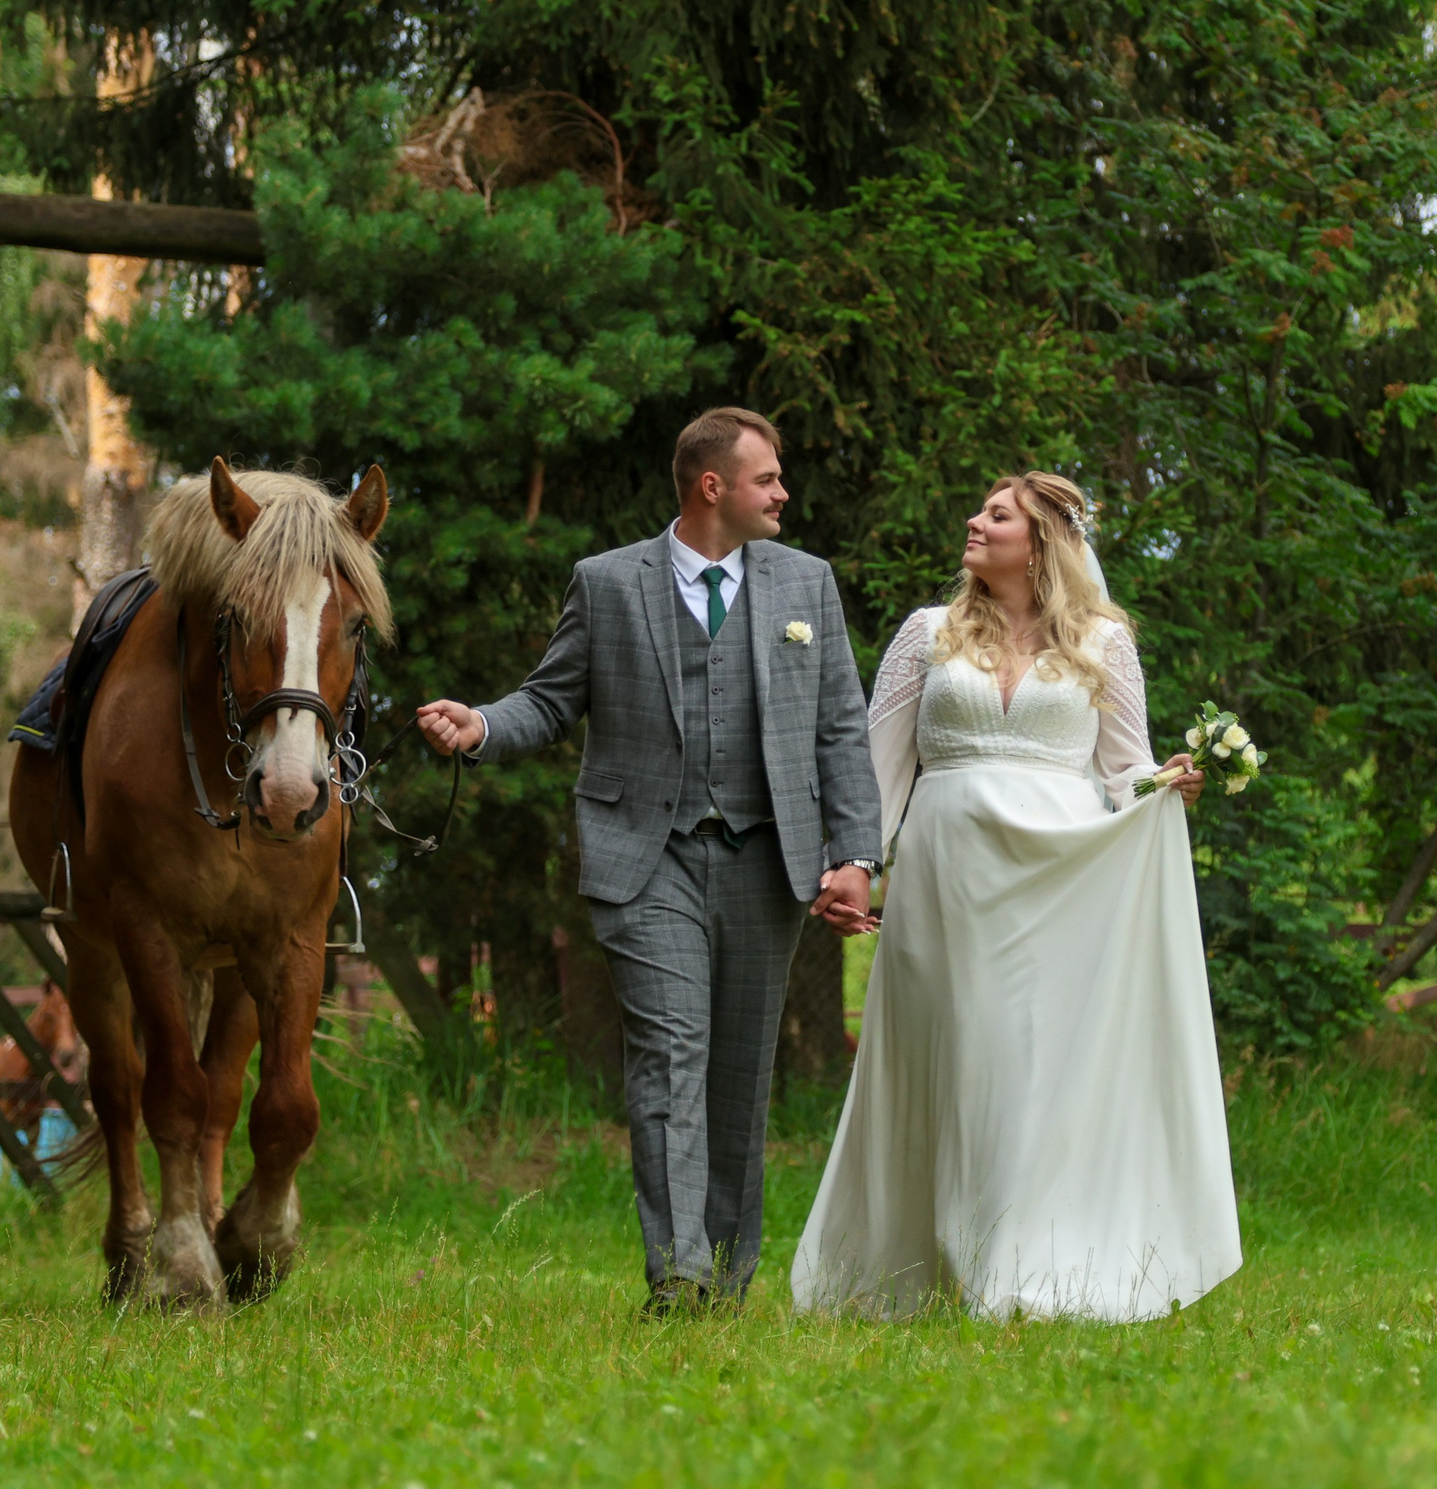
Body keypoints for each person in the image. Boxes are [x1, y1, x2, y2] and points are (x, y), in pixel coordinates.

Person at [417, 408, 882, 1316]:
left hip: (767, 863)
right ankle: (679, 1274)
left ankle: (727, 1277)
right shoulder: (607, 584)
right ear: (714, 487)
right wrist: (479, 725)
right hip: (647, 858)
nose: (784, 492)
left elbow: (838, 729)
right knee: (671, 1054)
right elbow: (549, 703)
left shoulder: (806, 584)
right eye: (768, 478)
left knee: (741, 1077)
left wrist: (855, 854)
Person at [791, 472, 1242, 1322]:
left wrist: (1162, 784)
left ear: (1042, 542)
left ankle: (1014, 1267)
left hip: (1056, 881)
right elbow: (876, 767)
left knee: (1025, 1062)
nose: (974, 520)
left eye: (997, 515)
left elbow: (1122, 769)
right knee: (950, 1056)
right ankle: (921, 1263)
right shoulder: (926, 635)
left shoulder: (1104, 644)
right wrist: (855, 862)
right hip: (944, 875)